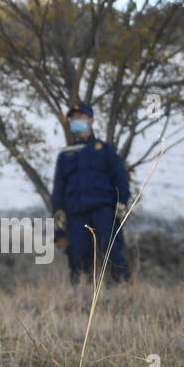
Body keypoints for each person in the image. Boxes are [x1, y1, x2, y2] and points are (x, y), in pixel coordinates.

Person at [51, 102, 131, 285]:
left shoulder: (105, 149)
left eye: (81, 117)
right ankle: (81, 293)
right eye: (73, 118)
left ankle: (120, 289)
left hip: (103, 209)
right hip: (75, 212)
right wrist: (58, 212)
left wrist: (122, 202)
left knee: (110, 248)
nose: (76, 121)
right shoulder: (66, 155)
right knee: (77, 253)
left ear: (91, 120)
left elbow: (119, 176)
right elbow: (59, 187)